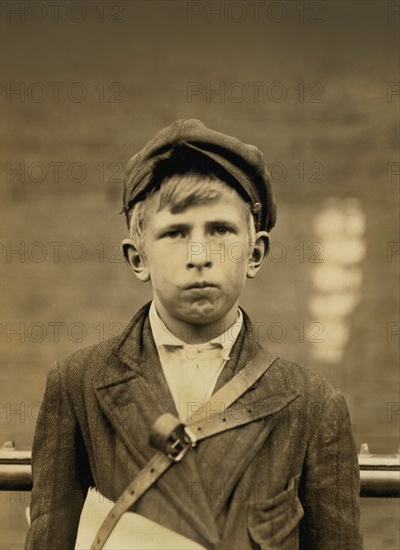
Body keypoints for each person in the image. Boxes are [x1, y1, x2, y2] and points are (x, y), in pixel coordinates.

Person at [25, 119, 363, 549]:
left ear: (255, 253)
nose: (200, 255)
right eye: (175, 233)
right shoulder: (78, 385)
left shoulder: (312, 405)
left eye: (220, 230)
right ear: (137, 258)